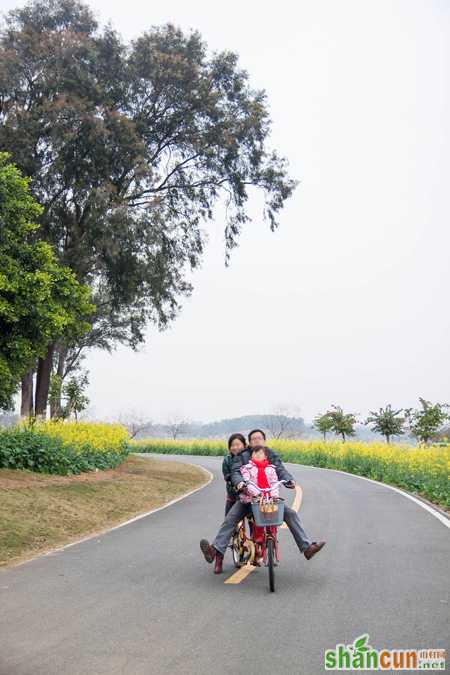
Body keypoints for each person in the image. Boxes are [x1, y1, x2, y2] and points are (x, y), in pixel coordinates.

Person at [200, 428, 325, 574]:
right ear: (249, 442)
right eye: (253, 439)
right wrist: (240, 483)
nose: (256, 441)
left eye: (259, 438)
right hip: (248, 500)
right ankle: (214, 551)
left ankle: (307, 548)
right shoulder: (242, 456)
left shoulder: (270, 454)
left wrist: (288, 480)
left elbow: (280, 469)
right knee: (230, 519)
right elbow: (235, 472)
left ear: (264, 440)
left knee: (290, 513)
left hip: (269, 500)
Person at [223, 433, 246, 516]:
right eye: (232, 445)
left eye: (238, 444)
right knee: (228, 522)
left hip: (250, 496)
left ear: (244, 445)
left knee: (255, 522)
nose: (235, 447)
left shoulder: (250, 457)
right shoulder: (227, 460)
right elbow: (227, 477)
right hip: (233, 495)